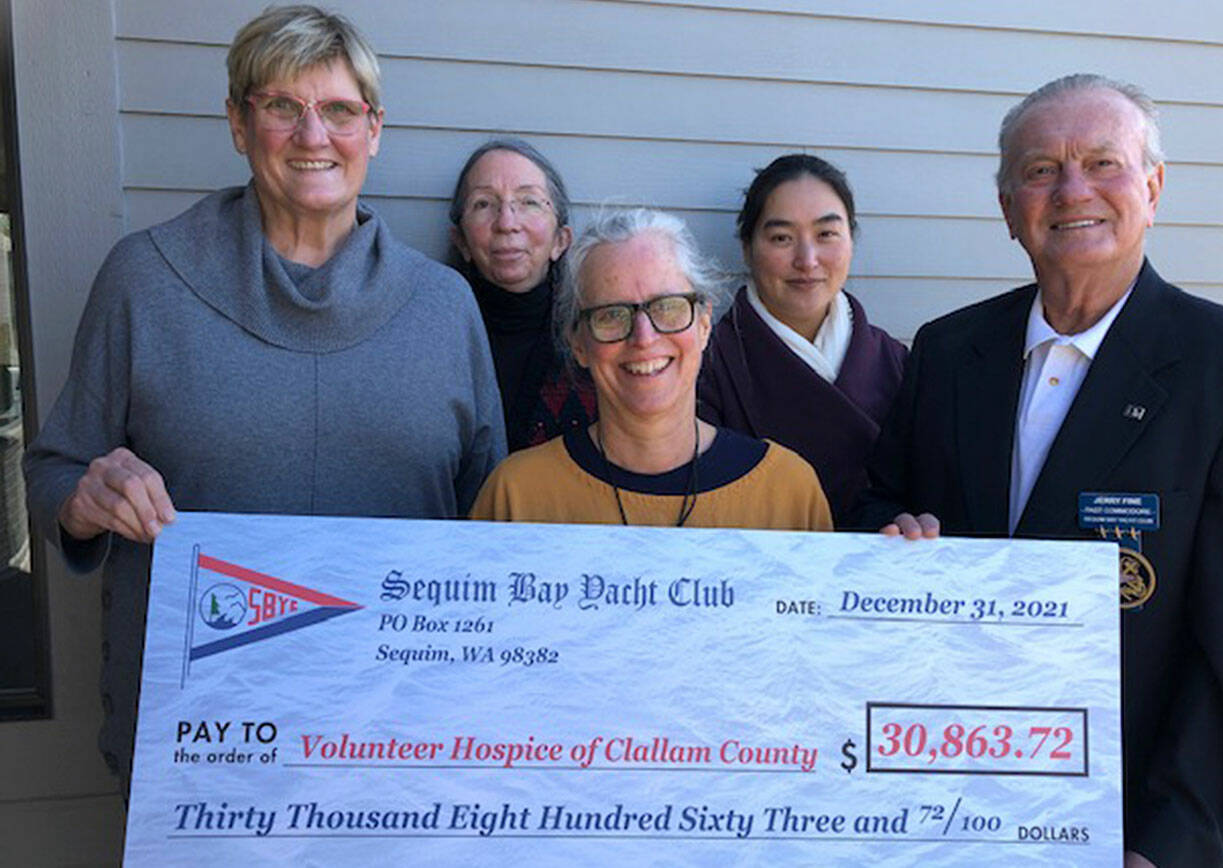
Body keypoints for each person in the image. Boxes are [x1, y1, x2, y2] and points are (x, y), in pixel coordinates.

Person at [22, 5, 505, 793]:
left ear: (374, 130)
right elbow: (52, 470)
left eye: (340, 110)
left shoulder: (444, 308)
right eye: (282, 107)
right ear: (240, 125)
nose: (314, 136)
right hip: (201, 741)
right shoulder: (145, 281)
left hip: (396, 740)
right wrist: (86, 495)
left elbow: (491, 518)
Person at [855, 74, 1223, 868]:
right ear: (1007, 210)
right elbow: (880, 505)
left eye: (1103, 163)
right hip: (932, 797)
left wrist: (1171, 844)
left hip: (1117, 824)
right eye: (1039, 170)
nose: (1072, 190)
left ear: (1153, 188)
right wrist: (892, 533)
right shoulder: (948, 351)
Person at [472, 208, 831, 531]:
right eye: (612, 314)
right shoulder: (516, 497)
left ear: (704, 324)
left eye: (667, 307)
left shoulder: (787, 492)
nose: (644, 337)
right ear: (578, 343)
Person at [698, 154, 906, 526]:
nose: (807, 260)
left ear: (851, 240)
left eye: (826, 234)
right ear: (747, 248)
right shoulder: (709, 368)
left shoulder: (898, 362)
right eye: (782, 238)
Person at [449, 139, 597, 452]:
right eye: (484, 204)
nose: (507, 223)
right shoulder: (430, 338)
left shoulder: (596, 339)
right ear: (461, 241)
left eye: (529, 202)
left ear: (561, 240)